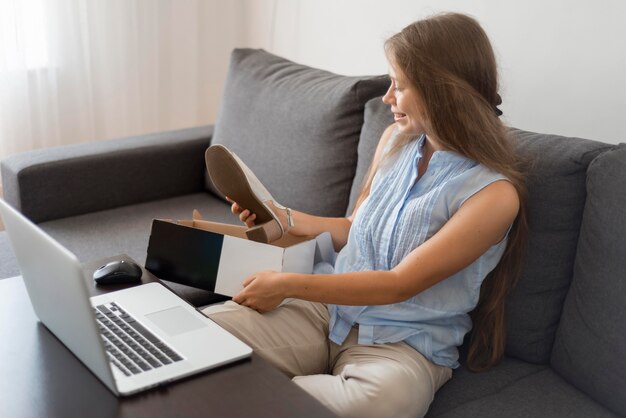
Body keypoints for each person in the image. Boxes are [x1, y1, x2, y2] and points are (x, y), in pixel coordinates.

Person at [202, 12, 527, 418]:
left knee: (382, 402)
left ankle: (252, 395)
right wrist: (280, 220)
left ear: (441, 92)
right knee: (203, 339)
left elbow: (398, 284)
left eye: (400, 85)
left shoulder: (493, 196)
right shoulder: (394, 140)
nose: (387, 98)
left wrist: (287, 284)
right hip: (326, 313)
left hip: (402, 346)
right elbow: (355, 229)